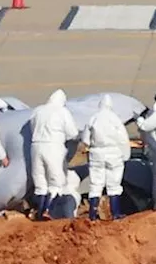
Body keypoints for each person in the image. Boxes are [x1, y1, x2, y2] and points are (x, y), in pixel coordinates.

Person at [29, 88, 79, 220]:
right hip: (54, 147)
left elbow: (31, 127)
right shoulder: (62, 111)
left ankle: (39, 213)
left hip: (35, 147)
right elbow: (73, 133)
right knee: (56, 183)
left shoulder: (37, 111)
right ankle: (47, 210)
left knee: (40, 183)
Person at [81, 94, 130, 221]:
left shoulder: (94, 118)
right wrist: (125, 155)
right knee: (114, 184)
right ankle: (116, 213)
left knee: (96, 184)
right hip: (113, 153)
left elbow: (85, 139)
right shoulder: (115, 119)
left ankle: (92, 213)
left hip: (96, 153)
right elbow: (123, 138)